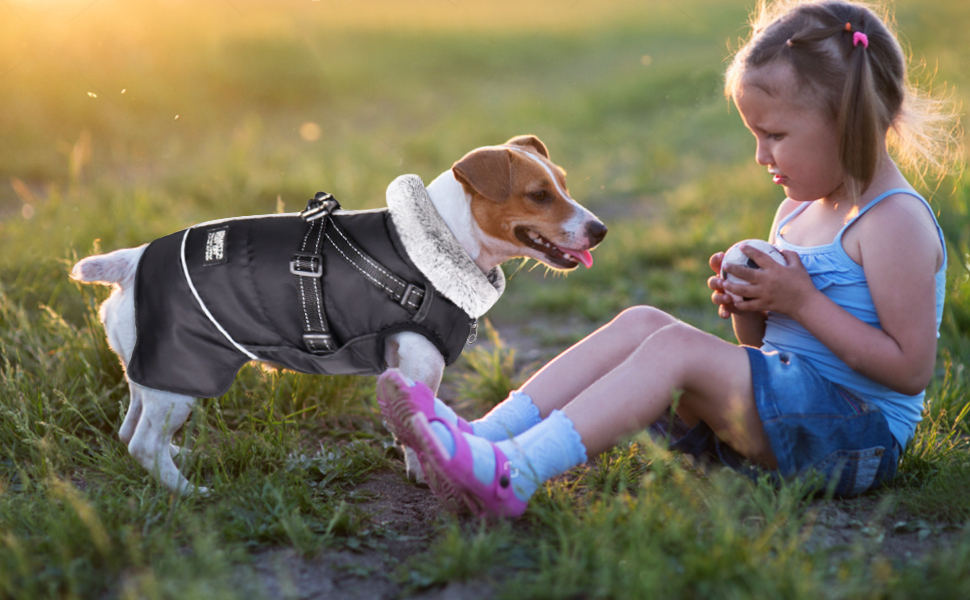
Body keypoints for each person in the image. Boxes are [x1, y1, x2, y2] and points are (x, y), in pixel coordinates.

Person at [376, 0, 961, 517]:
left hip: (856, 439)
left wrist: (801, 301)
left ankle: (511, 472)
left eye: (775, 135)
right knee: (643, 323)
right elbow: (762, 354)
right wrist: (750, 305)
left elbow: (909, 369)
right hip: (793, 420)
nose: (761, 155)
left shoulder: (892, 222)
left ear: (849, 122)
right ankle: (482, 436)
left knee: (677, 346)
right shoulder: (798, 211)